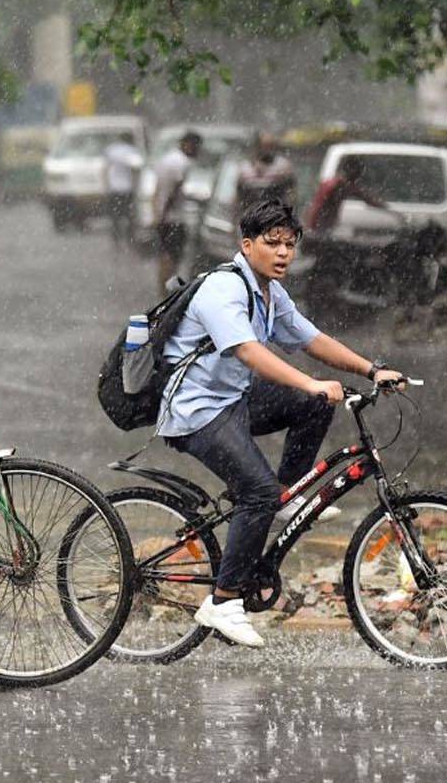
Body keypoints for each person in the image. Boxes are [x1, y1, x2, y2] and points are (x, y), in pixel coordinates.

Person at [157, 198, 405, 648]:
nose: (283, 253)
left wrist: (371, 370)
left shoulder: (269, 291)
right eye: (272, 244)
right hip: (197, 410)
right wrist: (311, 383)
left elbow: (311, 339)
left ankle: (284, 498)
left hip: (233, 398)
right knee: (257, 490)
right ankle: (223, 600)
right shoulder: (223, 288)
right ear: (246, 245)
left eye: (290, 244)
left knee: (313, 408)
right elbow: (248, 351)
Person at [151, 131, 202, 291]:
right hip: (174, 218)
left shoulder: (166, 159)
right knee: (173, 256)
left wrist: (157, 214)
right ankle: (167, 289)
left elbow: (157, 189)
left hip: (164, 217)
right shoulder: (183, 163)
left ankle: (163, 288)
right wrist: (164, 212)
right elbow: (175, 190)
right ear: (188, 144)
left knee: (165, 254)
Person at [236, 133, 296, 215]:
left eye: (270, 146)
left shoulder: (283, 167)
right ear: (257, 147)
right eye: (264, 146)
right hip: (251, 218)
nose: (267, 150)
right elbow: (238, 198)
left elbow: (291, 194)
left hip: (275, 218)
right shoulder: (245, 169)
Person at [102, 133, 142, 249]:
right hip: (127, 188)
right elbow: (136, 170)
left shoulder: (111, 150)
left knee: (115, 216)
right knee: (129, 215)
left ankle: (116, 239)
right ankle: (130, 238)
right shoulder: (132, 151)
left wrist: (106, 186)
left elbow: (105, 169)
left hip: (114, 188)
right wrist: (136, 186)